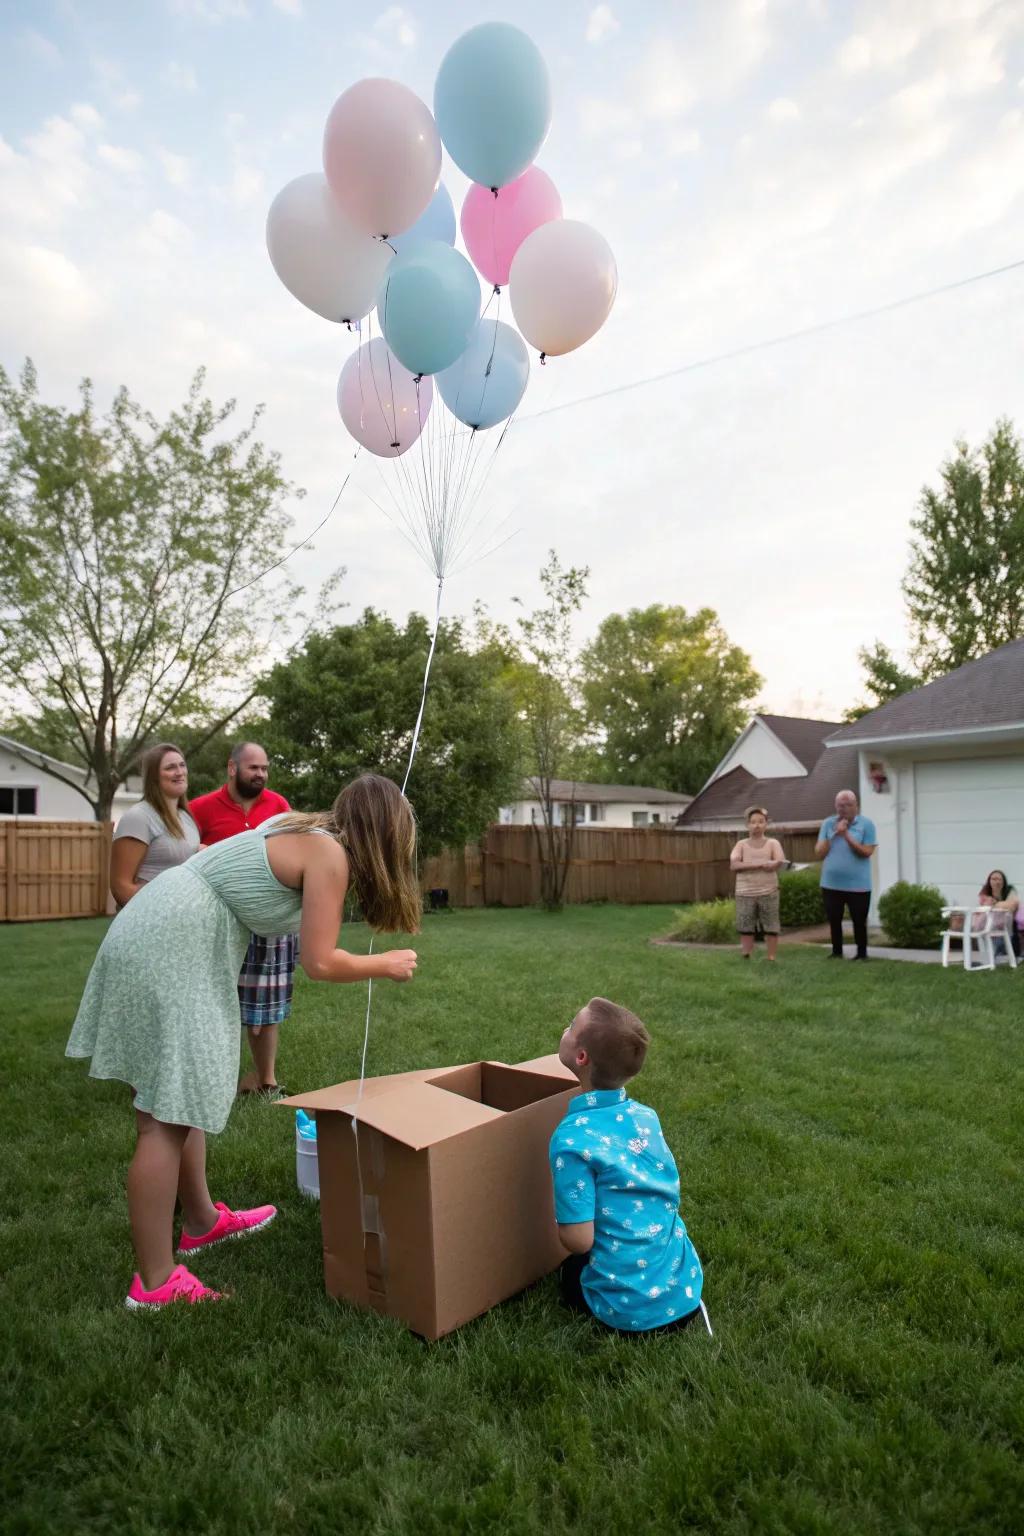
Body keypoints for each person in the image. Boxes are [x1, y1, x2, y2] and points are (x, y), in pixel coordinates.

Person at [66, 773, 421, 1311]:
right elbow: (321, 962)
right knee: (165, 1120)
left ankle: (202, 1221)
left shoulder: (303, 828)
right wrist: (386, 964)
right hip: (176, 940)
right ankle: (156, 1283)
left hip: (160, 926)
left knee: (174, 1097)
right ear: (385, 831)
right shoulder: (330, 855)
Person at [549, 997, 710, 1337]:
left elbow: (578, 1240)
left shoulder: (572, 1139)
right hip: (683, 1293)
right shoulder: (646, 1118)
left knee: (569, 1270)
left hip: (626, 1310)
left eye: (571, 1026)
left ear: (581, 1058)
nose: (565, 1030)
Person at [189, 742, 294, 1100]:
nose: (260, 774)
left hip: (264, 922)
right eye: (253, 768)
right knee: (215, 1002)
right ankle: (214, 1079)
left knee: (265, 1007)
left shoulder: (278, 807)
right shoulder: (200, 809)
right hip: (215, 921)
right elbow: (181, 853)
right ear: (232, 768)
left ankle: (266, 1079)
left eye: (264, 768)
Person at [109, 743, 200, 907]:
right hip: (151, 922)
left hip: (183, 918)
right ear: (154, 777)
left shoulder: (186, 817)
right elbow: (121, 888)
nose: (179, 772)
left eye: (182, 765)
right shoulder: (138, 818)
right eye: (170, 767)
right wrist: (158, 912)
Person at [815, 788, 877, 961]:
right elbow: (819, 852)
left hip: (858, 884)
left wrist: (847, 835)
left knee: (859, 920)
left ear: (856, 806)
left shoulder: (866, 824)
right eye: (840, 805)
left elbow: (866, 852)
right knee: (834, 919)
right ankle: (836, 952)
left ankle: (862, 954)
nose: (843, 809)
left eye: (848, 805)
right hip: (831, 883)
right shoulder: (828, 823)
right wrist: (835, 833)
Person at [730, 806, 786, 961]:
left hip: (769, 891)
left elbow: (779, 861)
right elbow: (734, 865)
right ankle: (746, 954)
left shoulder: (773, 843)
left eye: (761, 822)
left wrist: (771, 864)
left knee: (771, 925)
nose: (757, 825)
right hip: (744, 892)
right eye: (753, 822)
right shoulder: (740, 845)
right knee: (745, 925)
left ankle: (771, 957)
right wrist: (760, 865)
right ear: (747, 825)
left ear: (766, 824)